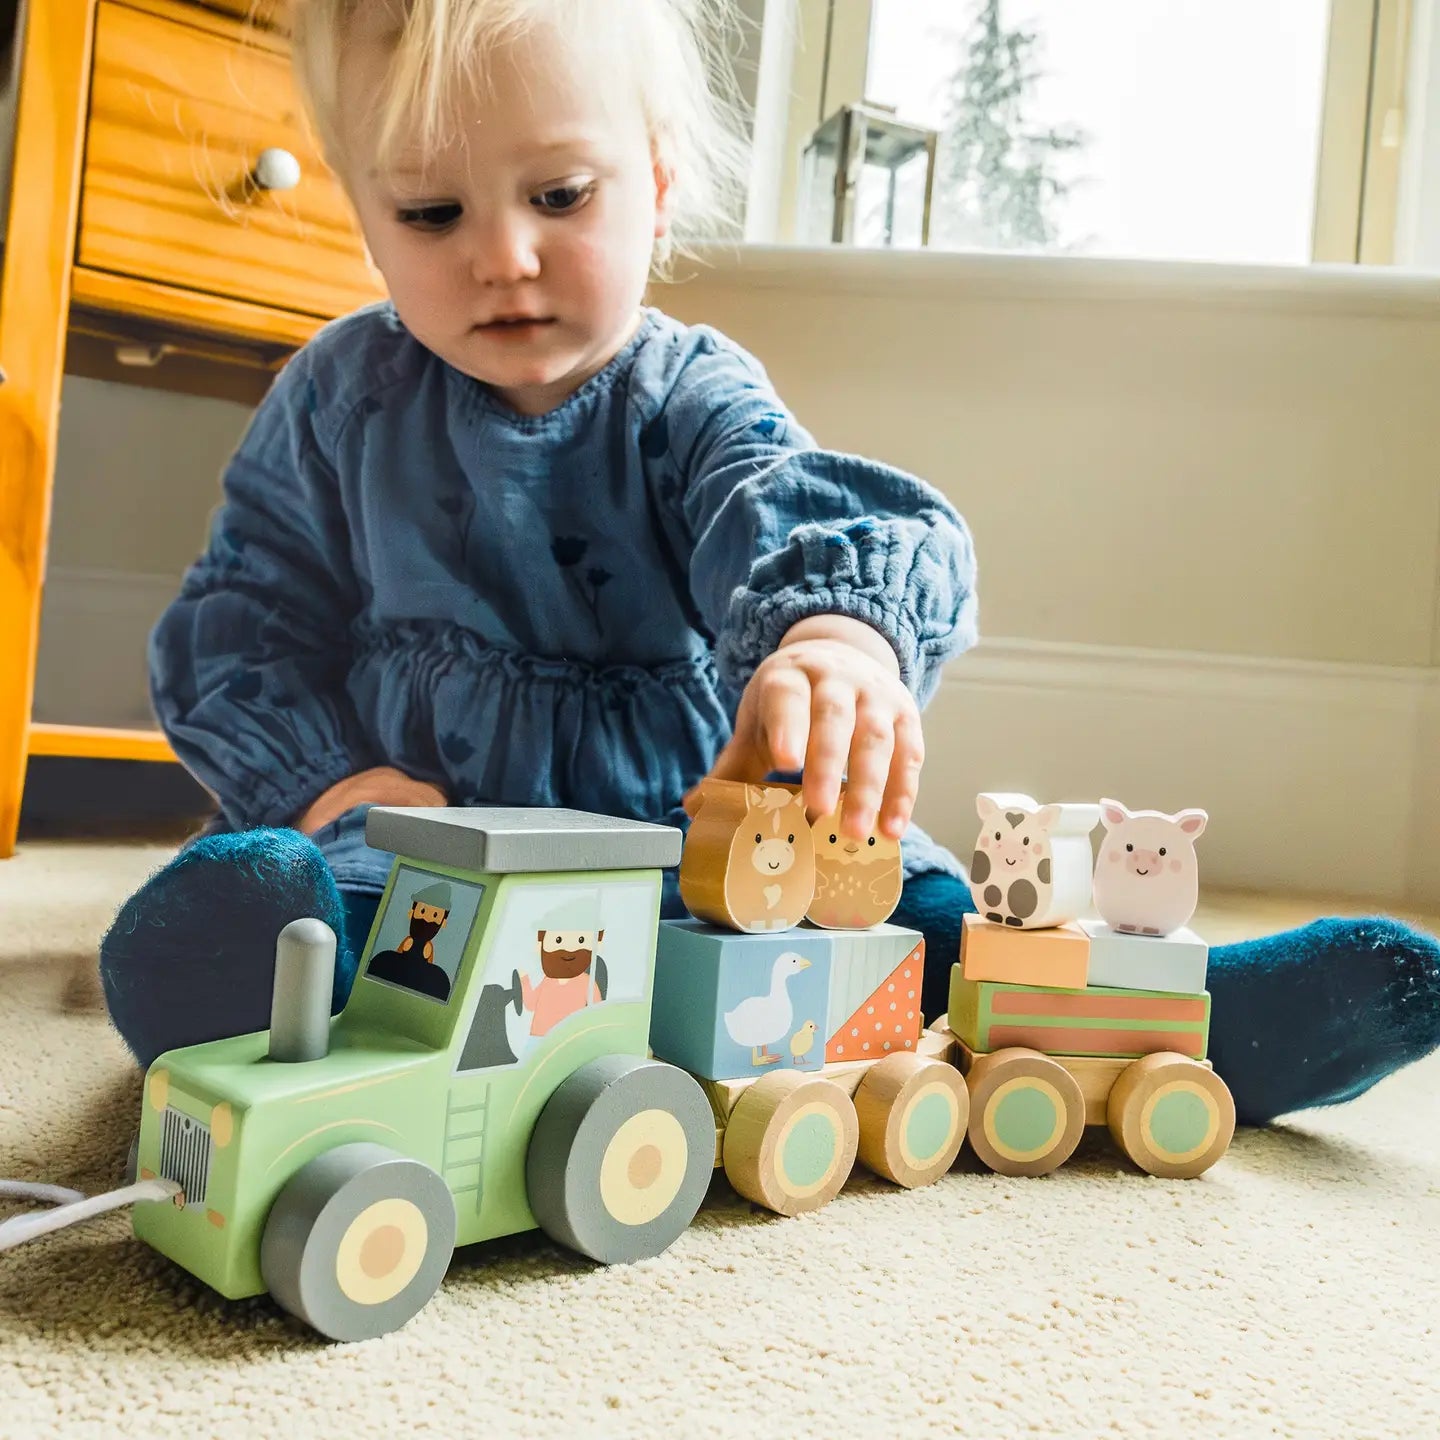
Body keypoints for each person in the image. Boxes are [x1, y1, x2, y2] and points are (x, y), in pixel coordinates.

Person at [99, 0, 1440, 1127]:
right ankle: (236, 984)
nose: (503, 256)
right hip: (426, 858)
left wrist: (836, 641)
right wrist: (328, 782)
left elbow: (794, 513)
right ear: (363, 214)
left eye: (559, 195)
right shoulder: (340, 400)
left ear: (660, 179)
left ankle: (1173, 1026)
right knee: (299, 916)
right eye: (432, 212)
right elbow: (238, 627)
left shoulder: (685, 397)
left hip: (707, 852)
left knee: (912, 916)